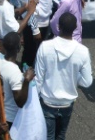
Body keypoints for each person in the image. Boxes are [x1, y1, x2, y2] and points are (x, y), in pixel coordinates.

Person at [36, 12, 91, 140]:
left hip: (48, 101)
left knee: (47, 136)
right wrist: (74, 78)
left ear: (58, 26)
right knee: (60, 135)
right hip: (67, 103)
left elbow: (39, 78)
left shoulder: (45, 47)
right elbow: (87, 82)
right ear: (75, 28)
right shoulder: (83, 51)